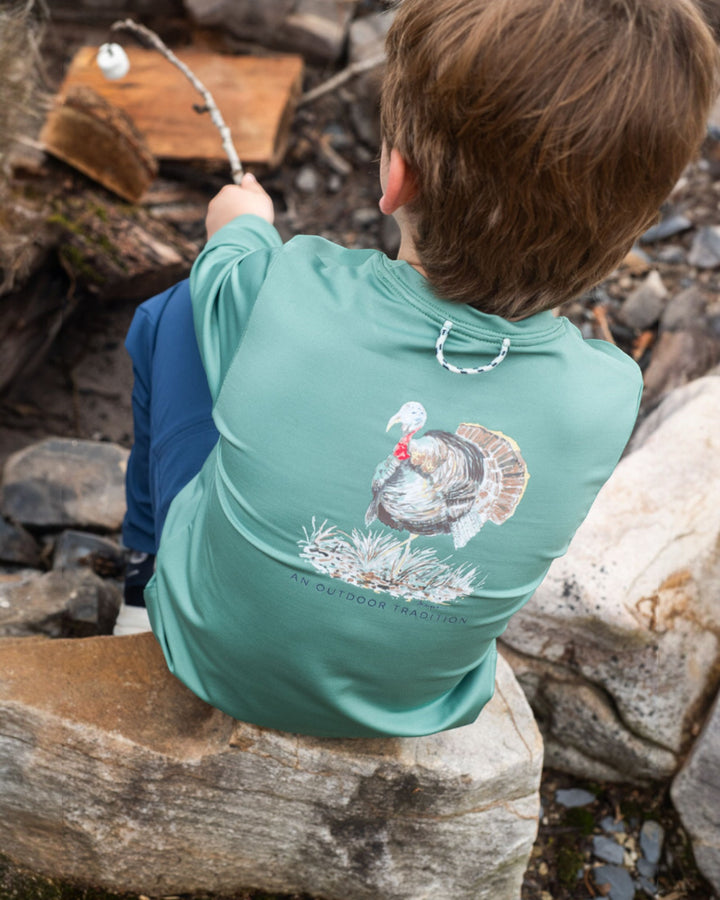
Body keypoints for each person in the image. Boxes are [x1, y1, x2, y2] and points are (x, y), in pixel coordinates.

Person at [114, 0, 718, 738]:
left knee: (175, 317)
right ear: (628, 231)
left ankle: (144, 587)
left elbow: (230, 265)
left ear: (396, 177)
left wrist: (239, 224)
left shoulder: (285, 285)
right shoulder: (606, 391)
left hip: (205, 652)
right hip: (411, 707)